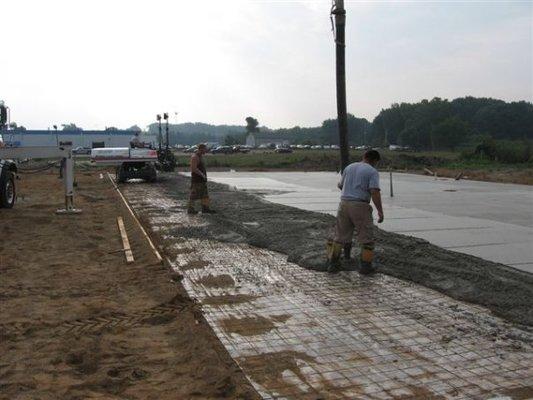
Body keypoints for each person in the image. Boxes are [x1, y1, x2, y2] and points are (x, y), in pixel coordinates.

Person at [326, 150, 384, 274]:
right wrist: (380, 211)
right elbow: (374, 191)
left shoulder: (349, 167)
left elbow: (340, 185)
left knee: (340, 236)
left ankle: (333, 264)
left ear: (364, 156)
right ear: (375, 161)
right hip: (360, 205)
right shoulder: (372, 171)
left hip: (344, 204)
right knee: (366, 237)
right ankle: (365, 267)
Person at [187, 143, 215, 214]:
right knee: (194, 195)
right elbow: (193, 168)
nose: (206, 151)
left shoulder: (200, 156)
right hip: (196, 180)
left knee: (204, 195)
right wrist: (202, 174)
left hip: (202, 180)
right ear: (201, 149)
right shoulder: (195, 157)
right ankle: (190, 209)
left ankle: (205, 208)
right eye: (205, 149)